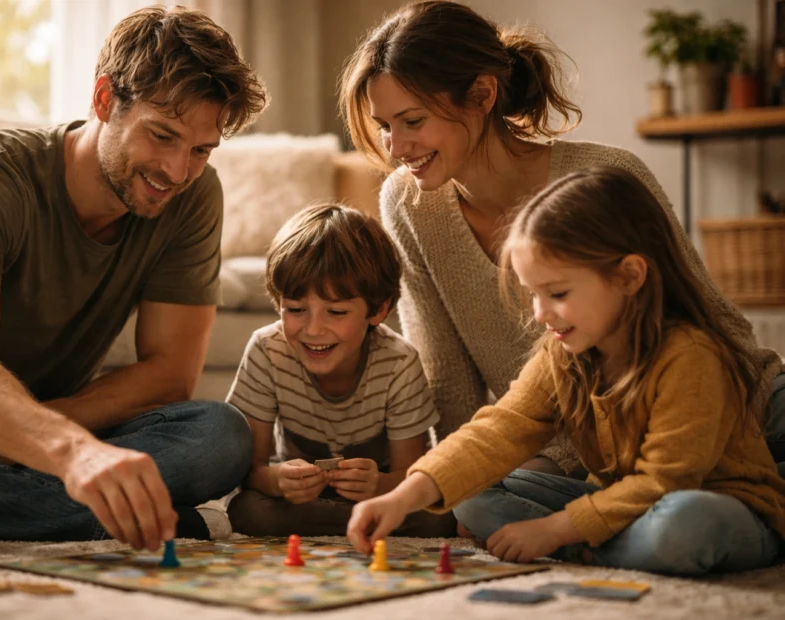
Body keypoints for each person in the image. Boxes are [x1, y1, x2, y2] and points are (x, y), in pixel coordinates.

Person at [0, 6, 268, 548]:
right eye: (162, 136)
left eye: (200, 150)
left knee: (220, 435)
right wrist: (74, 454)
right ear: (103, 100)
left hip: (48, 423)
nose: (176, 171)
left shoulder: (193, 196)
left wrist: (40, 433)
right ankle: (89, 515)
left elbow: (169, 375)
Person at [338, 0, 785, 476]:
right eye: (385, 127)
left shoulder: (607, 176)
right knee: (490, 503)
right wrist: (451, 480)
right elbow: (448, 381)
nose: (396, 148)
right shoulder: (407, 205)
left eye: (413, 121)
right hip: (588, 457)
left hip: (733, 411)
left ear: (483, 94)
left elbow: (720, 332)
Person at [346, 167, 785, 576]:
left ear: (630, 276)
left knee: (684, 525)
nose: (539, 314)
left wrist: (553, 531)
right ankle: (606, 546)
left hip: (721, 507)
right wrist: (401, 498)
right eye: (533, 295)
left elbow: (664, 482)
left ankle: (586, 549)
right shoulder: (566, 353)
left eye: (556, 293)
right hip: (620, 507)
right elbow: (500, 430)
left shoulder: (691, 355)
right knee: (474, 496)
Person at [225, 204, 455, 537]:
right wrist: (278, 481)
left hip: (380, 499)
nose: (313, 330)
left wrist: (377, 485)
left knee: (440, 515)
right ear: (278, 304)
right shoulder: (267, 350)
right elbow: (251, 471)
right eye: (296, 309)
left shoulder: (399, 362)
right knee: (246, 510)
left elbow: (409, 476)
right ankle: (354, 525)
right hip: (303, 503)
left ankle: (355, 520)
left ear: (377, 310)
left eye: (336, 312)